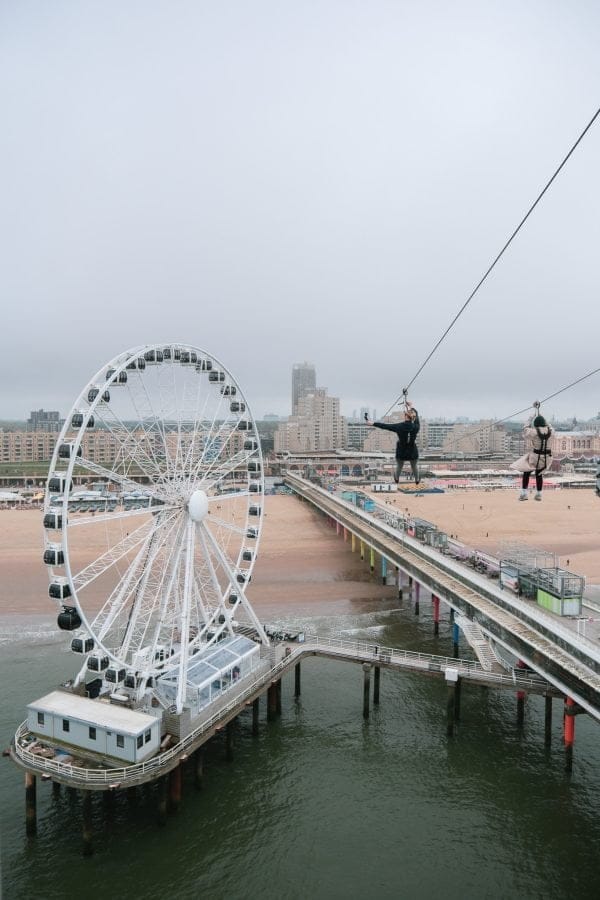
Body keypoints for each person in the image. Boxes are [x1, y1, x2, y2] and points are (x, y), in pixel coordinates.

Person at [366, 405, 420, 486]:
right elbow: (417, 418)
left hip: (401, 451)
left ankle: (397, 478)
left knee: (399, 466)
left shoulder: (399, 426)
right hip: (412, 451)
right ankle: (417, 479)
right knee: (414, 466)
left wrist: (373, 423)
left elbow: (385, 426)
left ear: (405, 416)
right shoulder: (416, 427)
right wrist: (411, 407)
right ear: (412, 418)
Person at [510, 413, 553, 501]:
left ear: (536, 425)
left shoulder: (534, 432)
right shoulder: (551, 431)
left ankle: (524, 494)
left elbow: (525, 428)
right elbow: (550, 426)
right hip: (547, 458)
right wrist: (542, 415)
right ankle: (539, 494)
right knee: (539, 474)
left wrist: (531, 417)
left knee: (526, 472)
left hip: (535, 457)